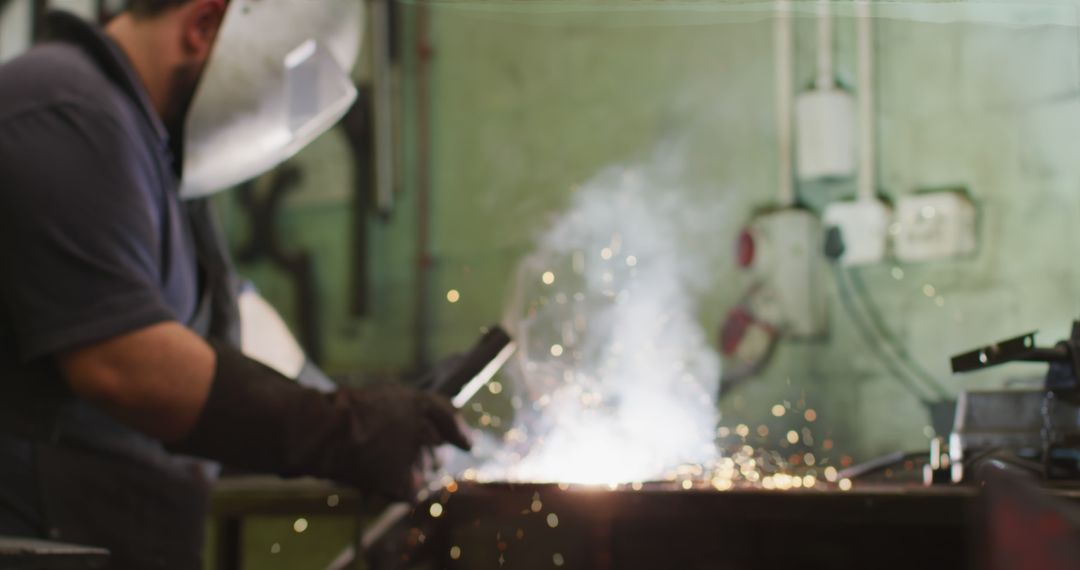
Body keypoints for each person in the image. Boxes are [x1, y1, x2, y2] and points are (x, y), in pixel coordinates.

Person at [0, 1, 470, 568]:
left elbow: (229, 318)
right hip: (42, 533)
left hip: (105, 531)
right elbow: (124, 365)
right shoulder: (64, 109)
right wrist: (343, 428)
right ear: (203, 25)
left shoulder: (147, 146)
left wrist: (369, 408)